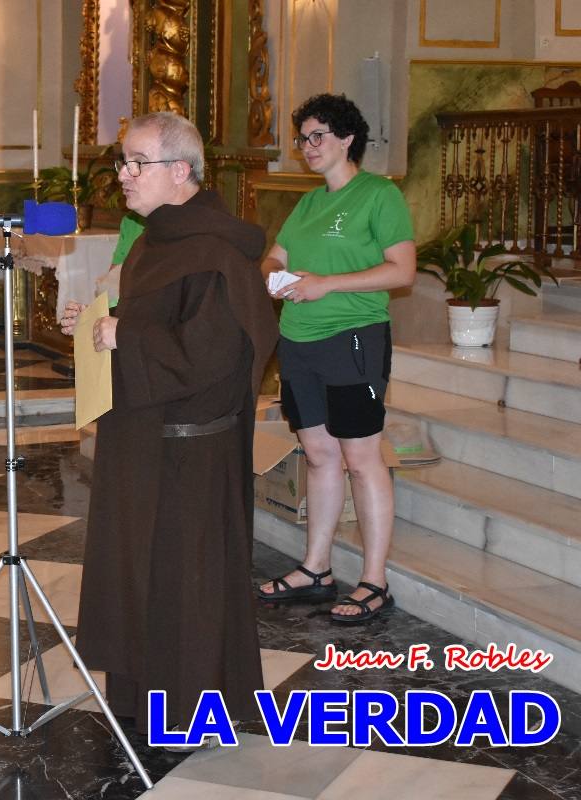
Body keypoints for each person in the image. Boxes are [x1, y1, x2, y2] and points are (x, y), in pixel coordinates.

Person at [59, 112, 279, 734]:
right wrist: (100, 319)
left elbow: (214, 353)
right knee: (139, 575)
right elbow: (162, 317)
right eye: (123, 162)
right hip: (142, 442)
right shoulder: (155, 238)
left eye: (137, 163)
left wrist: (126, 332)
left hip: (187, 453)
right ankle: (138, 695)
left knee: (183, 584)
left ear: (180, 172)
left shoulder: (214, 251)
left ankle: (189, 714)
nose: (123, 175)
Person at [255, 93, 415, 624]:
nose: (307, 148)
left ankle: (374, 580)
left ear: (348, 138)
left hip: (354, 338)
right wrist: (271, 276)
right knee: (320, 456)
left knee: (362, 460)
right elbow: (277, 255)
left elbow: (401, 271)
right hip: (298, 344)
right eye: (302, 138)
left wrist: (327, 285)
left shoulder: (378, 196)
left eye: (317, 136)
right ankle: (317, 568)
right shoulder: (307, 203)